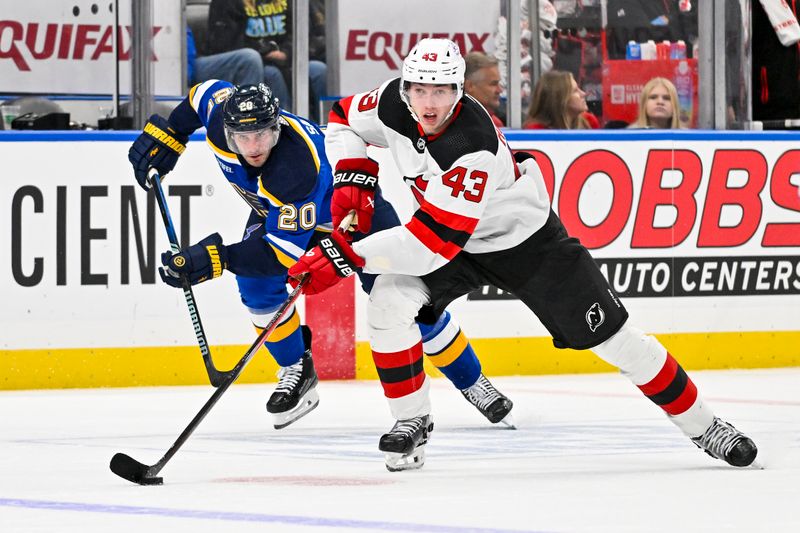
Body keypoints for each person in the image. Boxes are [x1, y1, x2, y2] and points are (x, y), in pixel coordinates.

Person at [289, 38, 758, 472]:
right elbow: (344, 118)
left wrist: (343, 256)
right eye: (418, 89)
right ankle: (412, 425)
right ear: (405, 85)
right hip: (456, 240)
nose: (428, 103)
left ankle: (706, 426)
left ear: (459, 90)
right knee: (388, 303)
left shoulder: (472, 145)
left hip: (527, 244)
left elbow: (429, 245)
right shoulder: (393, 101)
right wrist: (353, 173)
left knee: (616, 339)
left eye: (441, 91)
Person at [126, 80, 514, 431]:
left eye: (263, 133)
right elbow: (201, 94)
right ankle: (297, 369)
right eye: (244, 137)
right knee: (258, 290)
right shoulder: (218, 120)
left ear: (276, 127)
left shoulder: (295, 168)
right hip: (279, 214)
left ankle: (473, 380)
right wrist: (171, 134)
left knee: (406, 301)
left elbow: (279, 256)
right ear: (227, 131)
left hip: (353, 216)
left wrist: (212, 259)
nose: (255, 146)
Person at [205, 0, 328, 122]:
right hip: (260, 62)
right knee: (271, 74)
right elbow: (223, 44)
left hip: (292, 58)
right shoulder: (226, 3)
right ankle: (286, 124)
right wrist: (264, 51)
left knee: (319, 70)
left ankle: (326, 127)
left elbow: (313, 35)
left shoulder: (297, 3)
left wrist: (287, 53)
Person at [188, 27, 263, 87]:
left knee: (269, 72)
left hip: (189, 62)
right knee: (249, 58)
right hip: (183, 68)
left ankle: (247, 104)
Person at [523, 70, 600, 129]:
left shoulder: (589, 122)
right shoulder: (536, 131)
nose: (583, 94)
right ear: (560, 99)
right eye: (575, 91)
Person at [464, 52, 505, 127]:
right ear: (469, 86)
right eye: (493, 84)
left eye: (498, 83)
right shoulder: (449, 125)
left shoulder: (496, 124)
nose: (500, 90)